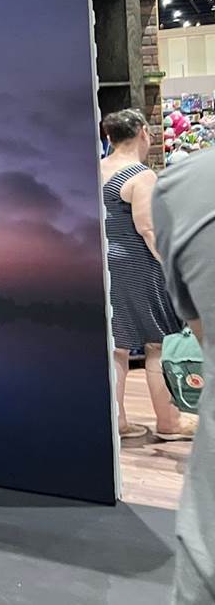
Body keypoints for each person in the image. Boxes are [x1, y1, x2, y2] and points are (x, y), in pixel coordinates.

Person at [99, 109, 195, 441]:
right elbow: (150, 230)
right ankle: (169, 422)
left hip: (106, 264)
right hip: (139, 267)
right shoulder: (141, 176)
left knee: (117, 348)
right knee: (159, 344)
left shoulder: (96, 170)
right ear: (143, 132)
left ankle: (118, 423)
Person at [153, 149, 214, 604]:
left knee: (127, 351)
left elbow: (202, 331)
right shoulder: (150, 181)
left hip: (207, 541)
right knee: (152, 347)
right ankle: (167, 421)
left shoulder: (183, 187)